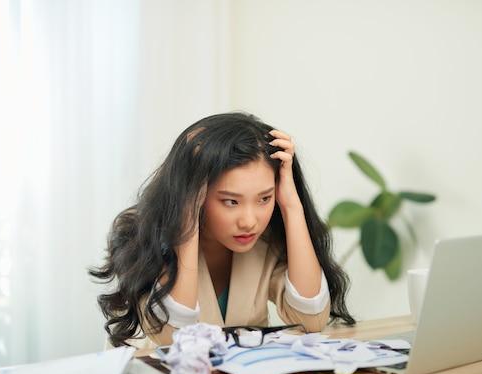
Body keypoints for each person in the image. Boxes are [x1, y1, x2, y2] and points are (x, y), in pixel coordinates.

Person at [89, 112, 355, 349]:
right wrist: (188, 213)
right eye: (230, 201)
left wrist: (292, 206)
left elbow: (311, 320)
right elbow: (171, 338)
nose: (249, 221)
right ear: (197, 193)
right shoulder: (140, 230)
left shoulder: (268, 237)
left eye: (264, 198)